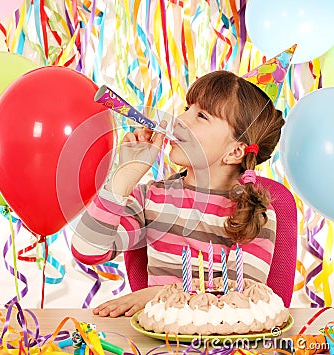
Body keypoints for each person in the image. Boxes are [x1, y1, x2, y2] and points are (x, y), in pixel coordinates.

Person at [71, 69, 285, 317]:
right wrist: (124, 177)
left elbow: (243, 299)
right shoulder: (151, 198)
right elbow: (88, 251)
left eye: (201, 115)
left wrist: (157, 294)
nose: (180, 119)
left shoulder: (255, 211)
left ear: (235, 151)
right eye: (187, 108)